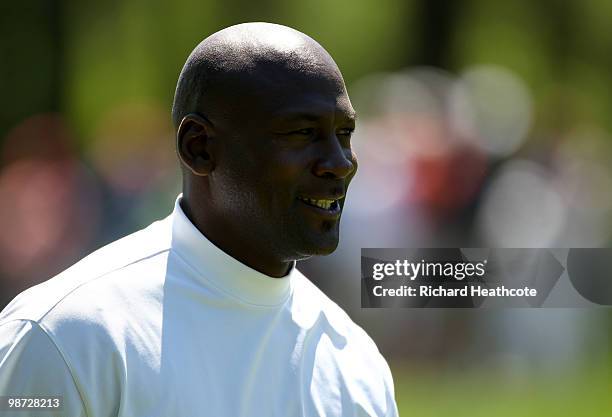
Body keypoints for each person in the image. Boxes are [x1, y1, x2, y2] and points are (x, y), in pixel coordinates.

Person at [0, 23, 398, 417]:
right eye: (302, 133)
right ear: (200, 148)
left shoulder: (355, 364)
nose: (340, 163)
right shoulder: (65, 337)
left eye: (344, 134)